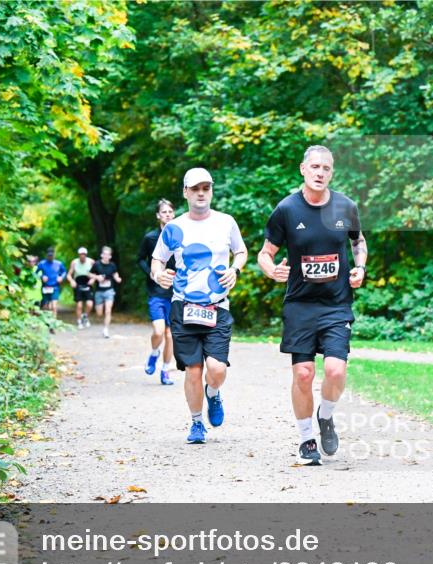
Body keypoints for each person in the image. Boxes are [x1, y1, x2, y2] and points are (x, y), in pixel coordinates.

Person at [257, 146, 367, 464]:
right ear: (303, 169)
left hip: (335, 304)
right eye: (315, 167)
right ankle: (306, 440)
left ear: (332, 172)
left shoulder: (345, 206)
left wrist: (360, 267)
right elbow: (265, 253)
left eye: (326, 168)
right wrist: (271, 269)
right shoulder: (287, 210)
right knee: (304, 374)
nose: (320, 173)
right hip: (300, 305)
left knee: (335, 370)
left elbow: (358, 241)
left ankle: (326, 415)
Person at [150, 168, 247, 444]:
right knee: (193, 369)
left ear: (211, 191)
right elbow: (157, 260)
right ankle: (196, 423)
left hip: (217, 305)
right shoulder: (173, 228)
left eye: (206, 187)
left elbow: (240, 251)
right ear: (186, 192)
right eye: (195, 188)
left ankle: (213, 393)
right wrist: (159, 274)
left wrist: (235, 269)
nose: (201, 192)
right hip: (183, 306)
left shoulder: (226, 222)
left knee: (216, 369)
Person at [137, 199, 178, 385]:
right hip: (156, 291)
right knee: (159, 331)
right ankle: (154, 353)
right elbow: (140, 260)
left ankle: (165, 370)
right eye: (164, 212)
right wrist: (153, 274)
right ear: (158, 215)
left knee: (171, 335)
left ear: (174, 214)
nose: (168, 214)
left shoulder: (180, 238)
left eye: (170, 211)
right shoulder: (150, 238)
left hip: (176, 293)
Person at [89, 245, 122, 339]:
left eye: (108, 254)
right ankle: (103, 322)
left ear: (110, 256)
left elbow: (115, 274)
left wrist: (117, 278)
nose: (106, 256)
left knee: (108, 310)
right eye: (104, 254)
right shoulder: (97, 264)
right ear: (101, 255)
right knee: (99, 313)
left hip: (109, 290)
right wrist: (97, 277)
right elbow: (90, 274)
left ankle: (106, 329)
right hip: (99, 291)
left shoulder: (112, 265)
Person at [34, 247, 66, 331]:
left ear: (54, 255)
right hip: (45, 287)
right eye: (49, 256)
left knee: (54, 306)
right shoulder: (42, 264)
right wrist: (41, 276)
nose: (50, 257)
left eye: (52, 256)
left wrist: (61, 277)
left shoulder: (59, 264)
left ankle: (53, 325)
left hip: (55, 287)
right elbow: (35, 273)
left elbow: (64, 272)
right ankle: (46, 322)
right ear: (47, 255)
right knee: (45, 306)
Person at [68, 247, 95, 329]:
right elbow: (69, 274)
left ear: (86, 255)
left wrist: (93, 279)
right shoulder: (74, 262)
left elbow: (96, 273)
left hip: (87, 283)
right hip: (78, 283)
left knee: (89, 304)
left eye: (84, 254)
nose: (82, 256)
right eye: (81, 254)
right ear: (79, 255)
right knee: (79, 305)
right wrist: (72, 281)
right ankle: (79, 321)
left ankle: (85, 316)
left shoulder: (91, 262)